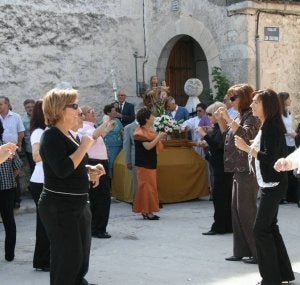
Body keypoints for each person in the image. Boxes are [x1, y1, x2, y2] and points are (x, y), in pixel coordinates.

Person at [38, 88, 104, 285]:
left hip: (78, 204)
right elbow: (62, 169)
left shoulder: (69, 135)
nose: (79, 111)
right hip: (59, 207)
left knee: (81, 258)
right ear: (59, 109)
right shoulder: (51, 136)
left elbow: (73, 166)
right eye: (74, 106)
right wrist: (85, 146)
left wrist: (90, 170)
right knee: (68, 259)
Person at [235, 89, 295, 285]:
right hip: (271, 183)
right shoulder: (268, 125)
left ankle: (271, 279)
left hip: (274, 184)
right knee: (270, 227)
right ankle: (283, 273)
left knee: (260, 230)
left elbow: (269, 157)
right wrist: (251, 143)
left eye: (255, 102)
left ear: (266, 105)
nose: (251, 105)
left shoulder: (271, 126)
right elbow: (267, 147)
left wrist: (247, 149)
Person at [217, 83, 260, 264]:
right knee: (236, 211)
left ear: (244, 98)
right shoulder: (241, 116)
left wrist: (227, 117)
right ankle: (240, 251)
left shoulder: (252, 117)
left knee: (247, 212)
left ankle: (258, 253)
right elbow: (227, 135)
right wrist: (221, 119)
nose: (230, 101)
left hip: (248, 171)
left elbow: (246, 135)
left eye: (233, 98)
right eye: (229, 98)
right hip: (238, 169)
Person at [196, 101, 232, 235]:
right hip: (219, 166)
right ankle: (226, 225)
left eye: (210, 114)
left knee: (220, 198)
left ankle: (219, 226)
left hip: (222, 168)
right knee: (223, 198)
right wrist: (206, 142)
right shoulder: (217, 127)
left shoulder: (222, 128)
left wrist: (203, 135)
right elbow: (216, 145)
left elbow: (219, 145)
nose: (208, 116)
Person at [78, 105, 113, 239]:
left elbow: (100, 134)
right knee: (101, 197)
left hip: (99, 162)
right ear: (84, 115)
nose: (94, 113)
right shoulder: (84, 127)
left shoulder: (90, 126)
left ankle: (97, 226)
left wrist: (107, 127)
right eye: (91, 112)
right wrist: (104, 123)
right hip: (94, 162)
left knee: (100, 196)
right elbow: (94, 135)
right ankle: (98, 228)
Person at [132, 108, 166, 220]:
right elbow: (148, 147)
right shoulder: (139, 132)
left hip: (149, 162)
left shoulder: (150, 130)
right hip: (144, 164)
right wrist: (158, 137)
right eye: (152, 115)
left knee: (149, 187)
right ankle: (147, 212)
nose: (154, 117)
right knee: (147, 188)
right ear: (147, 118)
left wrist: (159, 136)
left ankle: (146, 211)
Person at [29, 100, 50, 271]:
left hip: (45, 181)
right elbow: (36, 156)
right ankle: (42, 261)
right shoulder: (38, 132)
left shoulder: (46, 131)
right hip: (40, 181)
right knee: (44, 223)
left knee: (46, 222)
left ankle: (43, 259)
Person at [0, 120, 22, 262]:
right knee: (9, 221)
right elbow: (17, 167)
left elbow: (17, 167)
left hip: (7, 189)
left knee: (9, 221)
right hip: (7, 189)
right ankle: (10, 254)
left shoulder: (8, 146)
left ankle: (10, 254)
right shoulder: (8, 146)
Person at [0, 96, 25, 209]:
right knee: (4, 177)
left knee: (15, 174)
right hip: (1, 149)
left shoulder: (16, 116)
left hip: (13, 149)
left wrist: (19, 145)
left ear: (7, 104)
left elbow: (21, 132)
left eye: (1, 104)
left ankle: (16, 199)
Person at [278, 92, 297, 203]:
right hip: (283, 143)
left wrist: (294, 134)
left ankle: (291, 196)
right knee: (284, 169)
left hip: (290, 143)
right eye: (288, 98)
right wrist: (291, 134)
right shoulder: (278, 114)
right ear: (283, 100)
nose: (290, 100)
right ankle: (282, 196)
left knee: (291, 168)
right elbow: (282, 129)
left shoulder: (288, 112)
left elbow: (289, 127)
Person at [102, 104, 123, 178]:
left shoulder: (117, 120)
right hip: (110, 147)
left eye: (115, 110)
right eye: (113, 111)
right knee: (112, 163)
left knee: (119, 163)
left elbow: (121, 131)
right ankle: (110, 180)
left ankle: (118, 179)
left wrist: (124, 143)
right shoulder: (104, 122)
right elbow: (102, 134)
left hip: (120, 145)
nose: (115, 112)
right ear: (108, 113)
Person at [123, 119, 138, 199]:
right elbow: (126, 145)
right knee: (136, 181)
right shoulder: (128, 128)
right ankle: (137, 201)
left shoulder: (148, 126)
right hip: (134, 158)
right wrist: (128, 161)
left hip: (147, 158)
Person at [22, 99, 36, 174]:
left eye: (32, 106)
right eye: (28, 107)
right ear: (25, 108)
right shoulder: (22, 120)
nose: (30, 108)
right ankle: (35, 185)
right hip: (30, 149)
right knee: (33, 168)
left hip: (43, 148)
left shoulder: (42, 118)